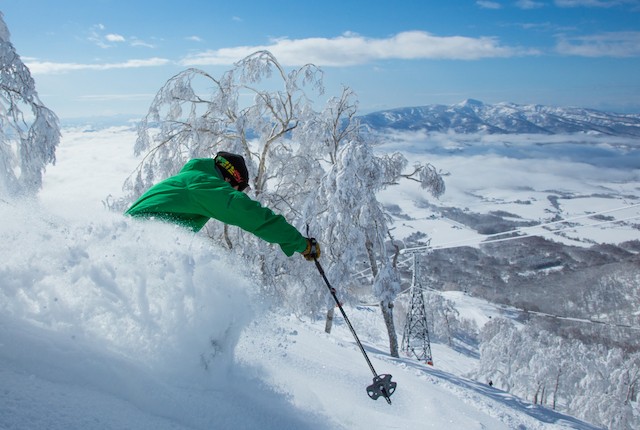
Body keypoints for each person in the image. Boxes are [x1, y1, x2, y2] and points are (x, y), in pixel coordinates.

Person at [125, 151, 320, 260]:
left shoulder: (190, 179)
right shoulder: (204, 186)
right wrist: (301, 244)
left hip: (139, 245)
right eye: (236, 189)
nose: (234, 193)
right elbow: (250, 214)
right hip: (140, 248)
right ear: (229, 179)